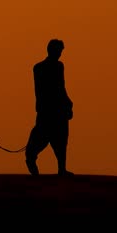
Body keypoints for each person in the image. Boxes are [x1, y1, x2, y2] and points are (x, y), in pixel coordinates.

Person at [25, 38, 74, 176]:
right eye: (58, 51)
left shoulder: (54, 67)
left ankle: (61, 169)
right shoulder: (42, 68)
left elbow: (60, 87)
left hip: (54, 110)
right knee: (41, 140)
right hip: (49, 111)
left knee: (61, 141)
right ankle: (33, 162)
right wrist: (67, 104)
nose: (59, 54)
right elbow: (54, 88)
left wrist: (68, 103)